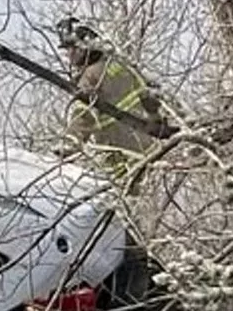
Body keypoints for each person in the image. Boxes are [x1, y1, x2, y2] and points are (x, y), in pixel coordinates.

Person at [56, 16, 163, 196]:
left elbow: (84, 115)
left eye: (73, 48)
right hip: (148, 149)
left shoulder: (90, 78)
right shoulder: (119, 65)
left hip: (120, 154)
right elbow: (150, 98)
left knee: (126, 206)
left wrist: (69, 145)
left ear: (85, 46)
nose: (69, 54)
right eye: (67, 50)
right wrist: (159, 124)